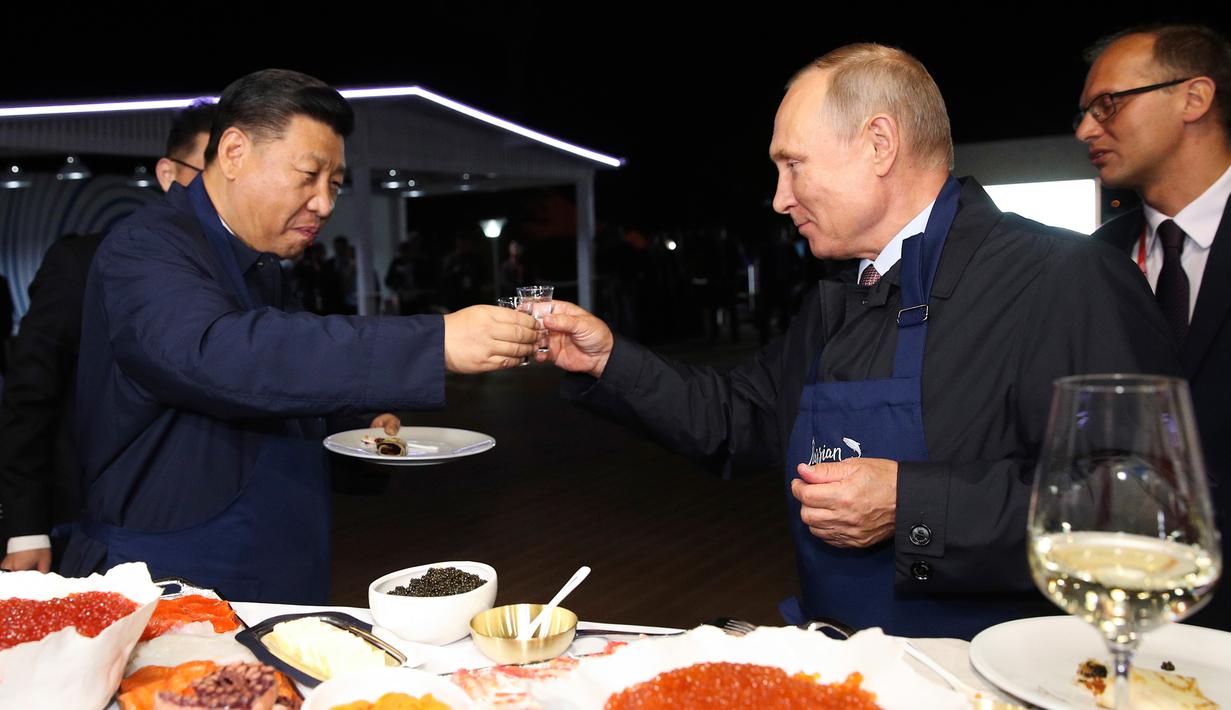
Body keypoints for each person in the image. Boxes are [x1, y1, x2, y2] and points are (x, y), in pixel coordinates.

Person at [540, 43, 1179, 639]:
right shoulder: (846, 293)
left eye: (793, 166)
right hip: (846, 667)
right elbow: (738, 418)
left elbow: (1138, 507)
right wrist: (608, 362)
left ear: (879, 143)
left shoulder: (1062, 278)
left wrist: (914, 504)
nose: (779, 198)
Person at [60, 69, 537, 603]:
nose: (325, 205)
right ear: (235, 151)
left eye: (334, 184)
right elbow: (221, 354)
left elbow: (290, 371)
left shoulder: (263, 263)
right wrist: (435, 342)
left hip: (278, 552)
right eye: (308, 175)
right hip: (171, 567)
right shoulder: (146, 246)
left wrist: (355, 423)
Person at [0, 102, 216, 573]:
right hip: (89, 525)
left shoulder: (246, 277)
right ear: (168, 174)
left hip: (200, 532)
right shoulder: (83, 263)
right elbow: (29, 396)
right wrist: (25, 525)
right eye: (211, 171)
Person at [1077, 24, 1231, 631]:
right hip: (1131, 605)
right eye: (1086, 111)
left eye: (1108, 105)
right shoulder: (1099, 259)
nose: (1086, 129)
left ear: (1194, 98)